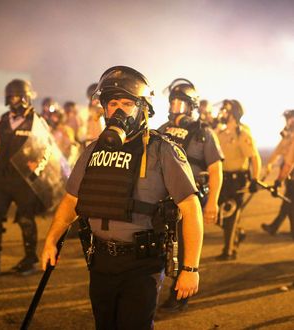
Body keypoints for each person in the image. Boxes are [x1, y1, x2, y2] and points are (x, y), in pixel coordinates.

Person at [42, 66, 203, 330]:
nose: (118, 110)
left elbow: (191, 208)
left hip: (141, 265)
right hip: (100, 261)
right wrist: (51, 240)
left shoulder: (163, 151)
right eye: (113, 103)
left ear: (143, 109)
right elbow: (71, 200)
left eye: (127, 103)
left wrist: (190, 269)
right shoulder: (92, 150)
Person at [158, 78, 223, 312]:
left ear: (192, 107)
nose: (174, 108)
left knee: (185, 247)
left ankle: (180, 294)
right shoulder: (163, 130)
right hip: (162, 198)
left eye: (180, 104)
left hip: (188, 200)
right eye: (173, 103)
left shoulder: (204, 133)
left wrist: (212, 202)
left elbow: (216, 170)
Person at [0, 79, 45, 277]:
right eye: (12, 97)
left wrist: (37, 166)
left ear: (27, 97)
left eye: (19, 96)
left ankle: (29, 260)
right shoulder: (2, 120)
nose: (15, 101)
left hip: (24, 180)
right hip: (2, 178)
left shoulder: (37, 121)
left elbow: (47, 149)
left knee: (25, 219)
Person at [216, 99, 261, 260]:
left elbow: (254, 158)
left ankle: (228, 251)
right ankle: (238, 233)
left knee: (231, 215)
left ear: (233, 114)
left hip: (237, 180)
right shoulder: (219, 133)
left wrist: (254, 179)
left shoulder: (242, 134)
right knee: (219, 215)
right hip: (222, 179)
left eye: (225, 111)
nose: (222, 113)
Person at [261, 110, 294, 239]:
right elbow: (277, 152)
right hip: (289, 175)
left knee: (288, 202)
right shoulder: (288, 136)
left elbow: (289, 163)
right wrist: (268, 166)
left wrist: (279, 180)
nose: (287, 122)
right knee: (290, 202)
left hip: (290, 173)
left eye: (289, 119)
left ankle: (274, 227)